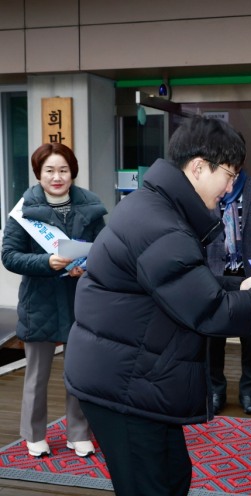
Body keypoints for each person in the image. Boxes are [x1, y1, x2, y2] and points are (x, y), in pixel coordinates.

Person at [63, 116, 251, 496]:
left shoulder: (155, 208)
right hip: (123, 383)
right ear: (198, 167)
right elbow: (209, 312)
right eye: (228, 175)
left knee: (173, 477)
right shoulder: (161, 225)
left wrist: (240, 285)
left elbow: (181, 284)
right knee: (150, 486)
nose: (230, 188)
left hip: (135, 372)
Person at [1, 143, 107, 458]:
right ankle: (34, 434)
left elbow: (104, 247)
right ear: (38, 173)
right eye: (49, 170)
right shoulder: (24, 210)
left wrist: (86, 267)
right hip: (40, 302)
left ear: (72, 172)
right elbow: (9, 256)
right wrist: (46, 264)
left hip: (79, 300)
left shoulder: (90, 205)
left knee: (79, 371)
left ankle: (78, 432)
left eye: (63, 170)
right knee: (37, 373)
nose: (57, 177)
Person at [206, 169, 251, 415]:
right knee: (213, 339)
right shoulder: (207, 186)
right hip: (214, 274)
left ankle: (248, 391)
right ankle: (216, 390)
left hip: (249, 273)